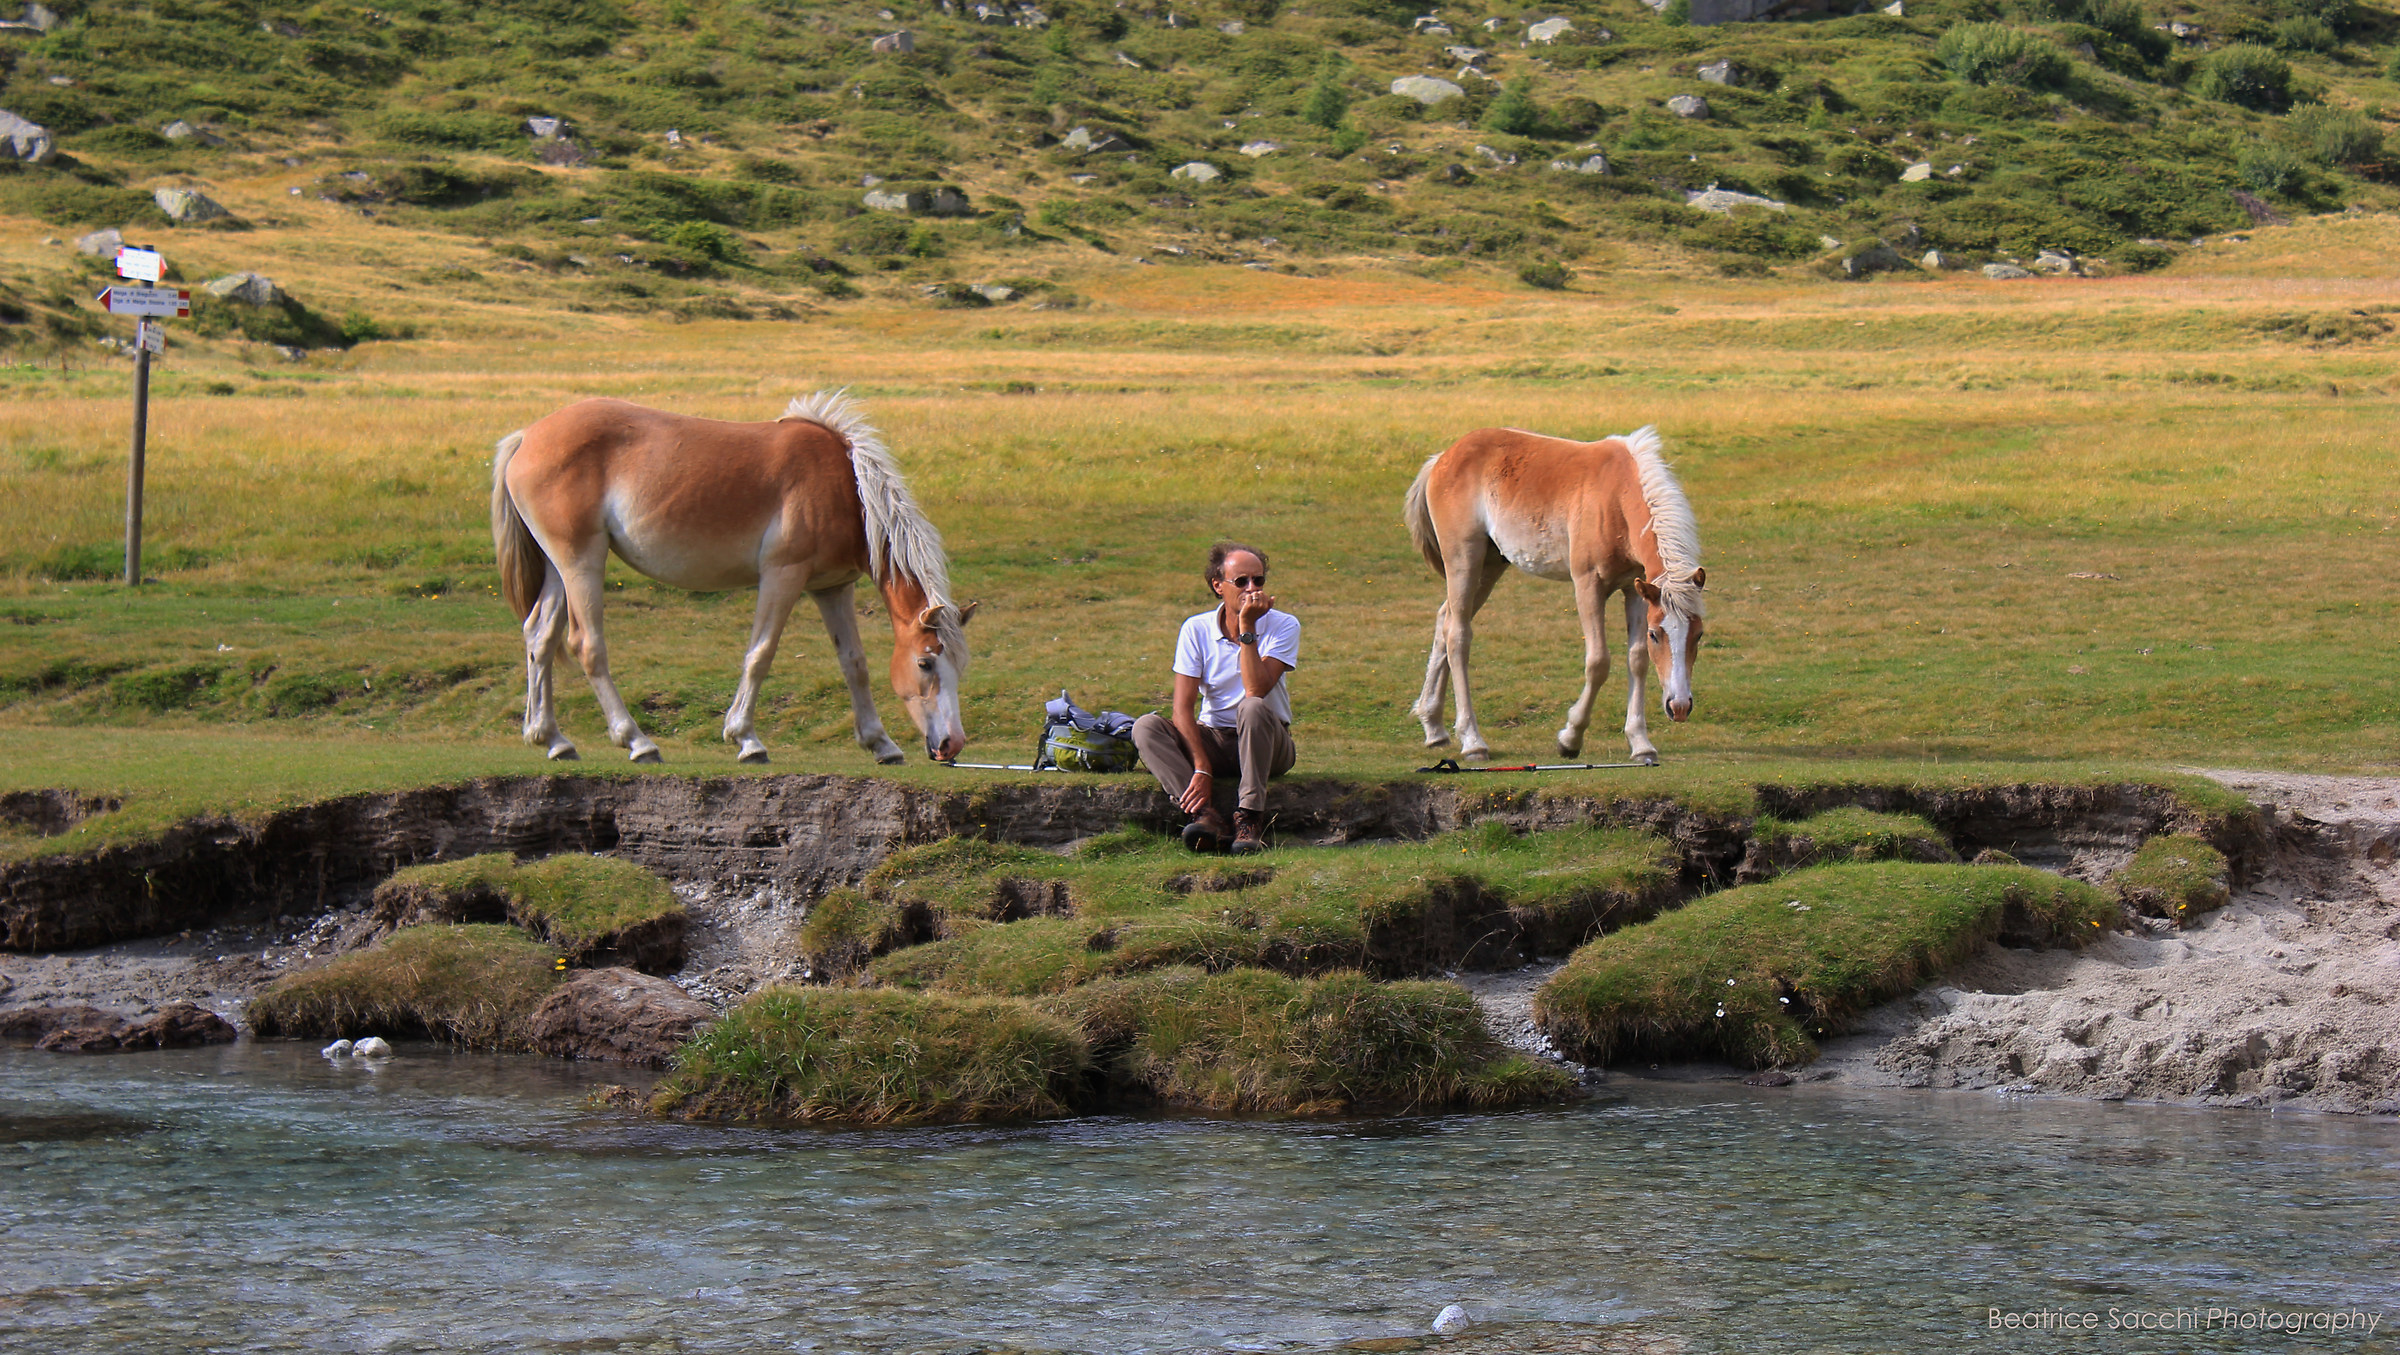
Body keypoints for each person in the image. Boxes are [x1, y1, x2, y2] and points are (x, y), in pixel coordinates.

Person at [1131, 542, 1299, 854]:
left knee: (1252, 707)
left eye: (1258, 581)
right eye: (1242, 581)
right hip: (1216, 737)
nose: (1252, 589)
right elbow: (1182, 707)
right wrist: (1201, 765)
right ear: (1218, 586)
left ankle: (1249, 818)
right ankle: (1204, 815)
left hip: (1268, 741)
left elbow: (1256, 689)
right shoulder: (1196, 628)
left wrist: (1247, 627)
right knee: (1145, 727)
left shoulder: (1283, 624)